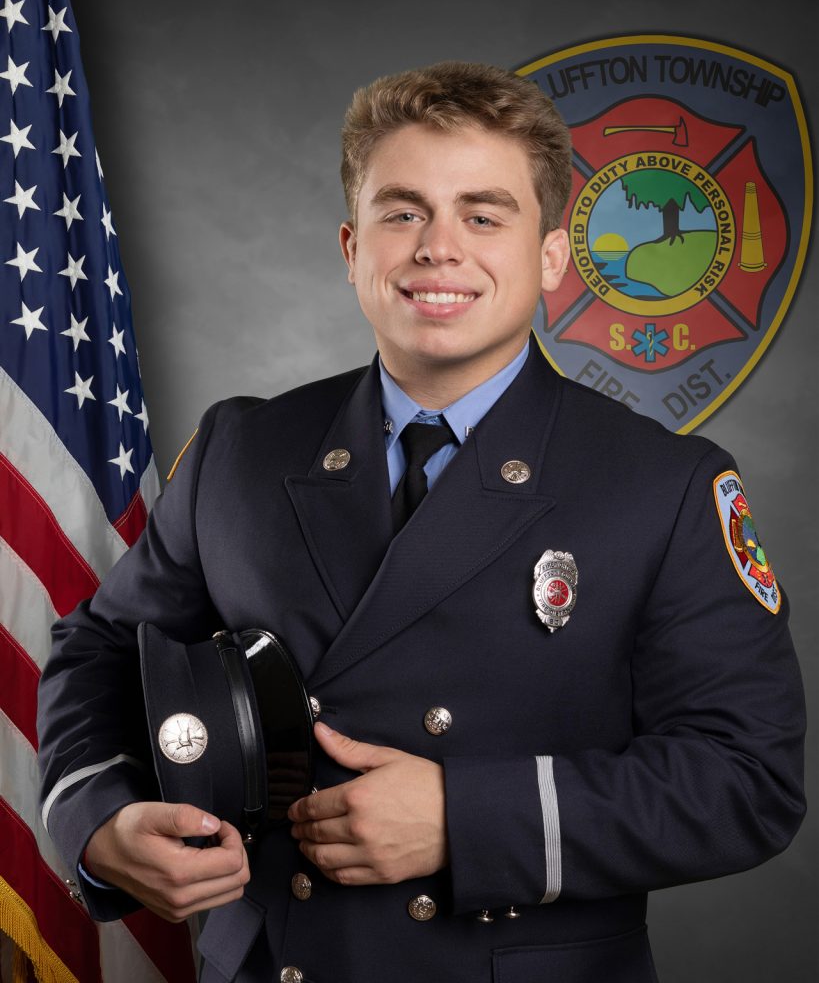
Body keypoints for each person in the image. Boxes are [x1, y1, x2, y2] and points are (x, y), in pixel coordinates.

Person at [37, 62, 805, 983]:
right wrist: (99, 821)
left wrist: (465, 820)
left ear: (553, 257)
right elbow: (103, 648)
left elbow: (745, 782)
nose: (439, 248)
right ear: (351, 244)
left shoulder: (665, 484)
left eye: (483, 216)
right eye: (403, 213)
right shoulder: (242, 449)